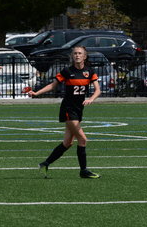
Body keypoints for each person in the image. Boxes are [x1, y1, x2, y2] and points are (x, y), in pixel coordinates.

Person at [27, 45, 101, 179]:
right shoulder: (67, 71)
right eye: (75, 53)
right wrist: (37, 93)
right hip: (68, 108)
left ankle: (45, 164)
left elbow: (98, 90)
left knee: (67, 143)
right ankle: (83, 171)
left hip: (79, 109)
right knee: (82, 139)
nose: (77, 55)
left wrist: (91, 99)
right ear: (72, 56)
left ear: (84, 56)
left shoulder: (90, 71)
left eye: (80, 53)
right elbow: (52, 85)